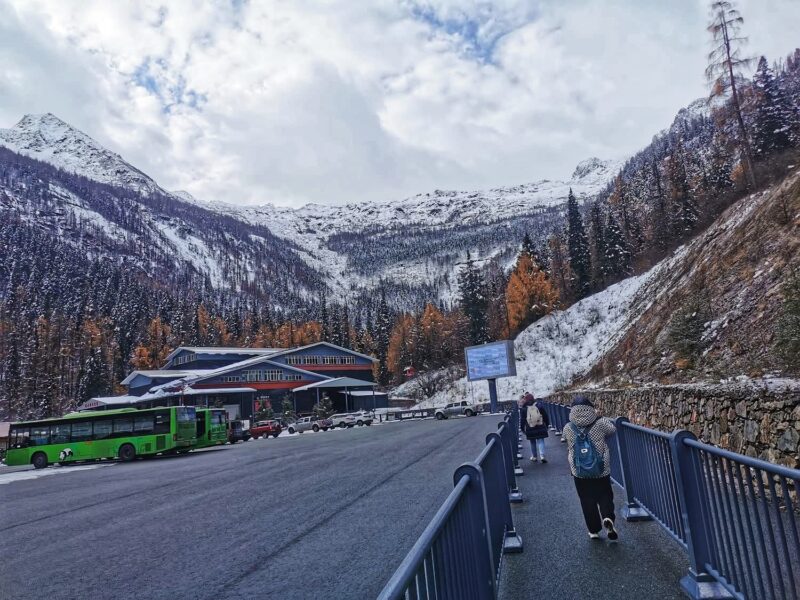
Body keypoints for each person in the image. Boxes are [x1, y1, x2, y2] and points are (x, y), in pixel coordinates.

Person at [563, 397, 619, 541]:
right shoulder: (600, 423)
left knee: (586, 500)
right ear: (590, 408)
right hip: (601, 469)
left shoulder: (568, 427)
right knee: (605, 495)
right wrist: (600, 417)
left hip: (579, 471)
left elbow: (564, 439)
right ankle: (607, 517)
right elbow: (613, 429)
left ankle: (593, 530)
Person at [520, 393, 549, 463]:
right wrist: (547, 424)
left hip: (530, 427)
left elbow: (522, 420)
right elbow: (545, 416)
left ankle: (534, 456)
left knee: (532, 442)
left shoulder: (524, 408)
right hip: (540, 426)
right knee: (541, 441)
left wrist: (522, 428)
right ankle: (542, 456)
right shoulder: (539, 406)